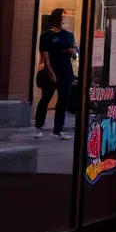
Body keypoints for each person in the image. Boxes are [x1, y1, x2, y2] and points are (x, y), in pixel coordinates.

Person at [35, 8, 77, 140]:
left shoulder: (69, 35)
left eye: (65, 16)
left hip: (66, 71)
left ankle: (58, 130)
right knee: (46, 98)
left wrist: (73, 53)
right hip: (52, 69)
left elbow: (75, 52)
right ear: (56, 18)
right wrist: (50, 72)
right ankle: (38, 126)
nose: (64, 18)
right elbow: (45, 56)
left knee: (63, 100)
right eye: (62, 16)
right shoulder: (47, 36)